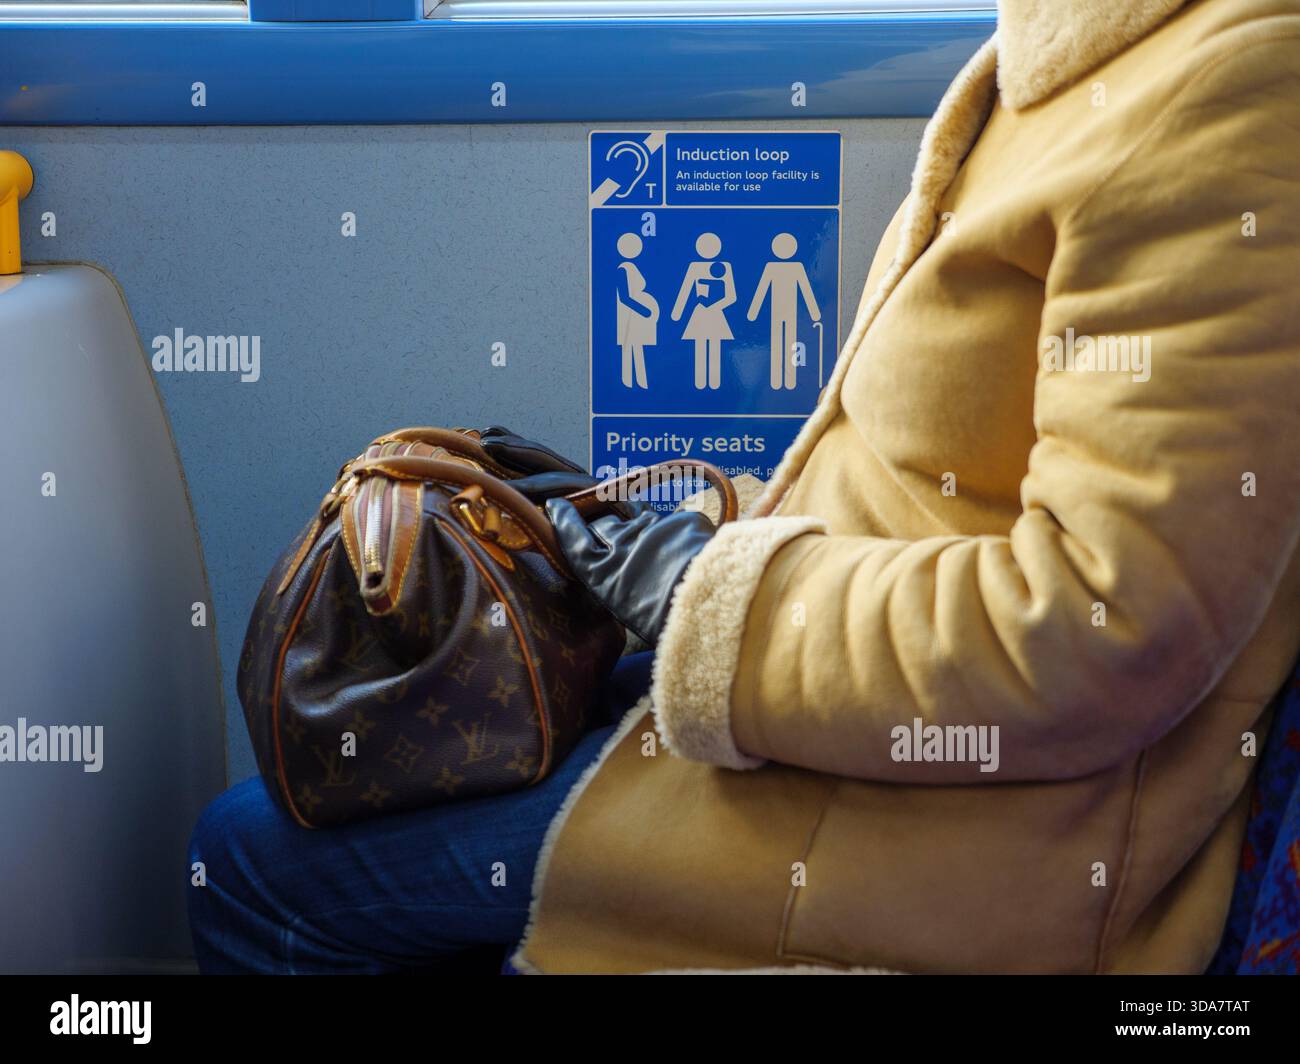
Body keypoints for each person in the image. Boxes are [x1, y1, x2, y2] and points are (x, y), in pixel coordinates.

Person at [189, 0, 1300, 974]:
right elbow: (941, 489)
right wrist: (688, 528)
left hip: (987, 833)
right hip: (864, 722)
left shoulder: (1232, 90)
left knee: (240, 869)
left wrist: (705, 594)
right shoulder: (1100, 55)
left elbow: (1105, 621)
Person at [669, 232, 736, 390]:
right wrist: (677, 312)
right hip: (698, 314)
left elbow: (731, 296)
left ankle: (714, 383)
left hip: (715, 314)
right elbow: (686, 290)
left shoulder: (724, 268)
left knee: (715, 346)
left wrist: (712, 305)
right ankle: (700, 383)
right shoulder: (695, 267)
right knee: (699, 346)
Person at [613, 232, 658, 389]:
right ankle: (628, 384)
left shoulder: (632, 267)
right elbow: (624, 297)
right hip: (630, 315)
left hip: (637, 317)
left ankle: (641, 383)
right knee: (628, 348)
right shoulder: (623, 269)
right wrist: (646, 311)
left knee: (637, 348)